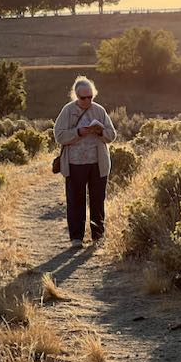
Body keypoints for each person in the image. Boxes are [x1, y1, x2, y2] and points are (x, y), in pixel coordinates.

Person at [53, 76, 117, 248]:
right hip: (74, 163)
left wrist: (100, 131)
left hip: (98, 163)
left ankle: (98, 236)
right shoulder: (67, 111)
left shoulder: (99, 111)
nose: (87, 100)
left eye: (90, 97)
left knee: (98, 200)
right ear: (76, 96)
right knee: (75, 201)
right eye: (83, 98)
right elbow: (59, 135)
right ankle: (76, 239)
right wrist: (79, 132)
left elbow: (112, 135)